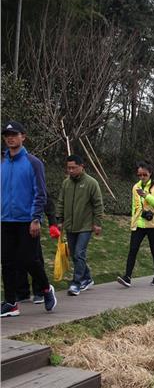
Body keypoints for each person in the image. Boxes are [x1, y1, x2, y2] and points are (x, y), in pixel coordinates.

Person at [1, 121, 57, 317]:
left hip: (26, 220)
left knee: (28, 260)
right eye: (7, 135)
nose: (10, 138)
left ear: (23, 137)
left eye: (14, 134)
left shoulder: (33, 163)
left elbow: (40, 193)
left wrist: (36, 218)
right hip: (6, 220)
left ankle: (46, 289)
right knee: (7, 262)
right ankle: (11, 303)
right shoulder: (2, 163)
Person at [56, 154, 104, 296]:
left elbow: (98, 204)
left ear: (81, 166)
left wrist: (97, 223)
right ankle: (87, 277)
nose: (70, 170)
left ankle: (76, 283)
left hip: (85, 226)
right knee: (74, 254)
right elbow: (61, 202)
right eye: (68, 168)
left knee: (79, 253)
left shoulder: (91, 183)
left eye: (73, 168)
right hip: (70, 225)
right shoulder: (66, 183)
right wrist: (59, 220)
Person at [117, 161, 154, 287]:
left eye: (145, 174)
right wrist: (133, 221)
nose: (142, 177)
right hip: (139, 224)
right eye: (139, 175)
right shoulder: (135, 187)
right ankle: (127, 277)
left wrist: (146, 195)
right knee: (133, 249)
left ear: (150, 173)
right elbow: (135, 206)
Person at [16, 195, 60, 304]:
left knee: (33, 258)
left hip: (31, 222)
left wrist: (52, 223)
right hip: (12, 222)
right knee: (17, 258)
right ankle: (22, 292)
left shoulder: (34, 183)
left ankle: (40, 291)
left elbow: (46, 199)